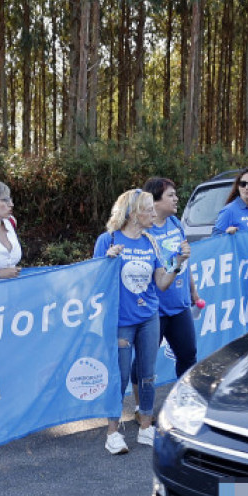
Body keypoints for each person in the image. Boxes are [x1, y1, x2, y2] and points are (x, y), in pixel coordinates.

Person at [94, 188, 190, 455]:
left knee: (147, 374)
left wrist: (178, 262)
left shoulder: (151, 241)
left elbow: (161, 283)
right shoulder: (108, 239)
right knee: (121, 376)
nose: (152, 213)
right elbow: (95, 282)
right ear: (133, 213)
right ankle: (112, 433)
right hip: (121, 320)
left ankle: (146, 426)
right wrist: (108, 261)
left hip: (149, 317)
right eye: (148, 209)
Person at [140, 176, 201, 378]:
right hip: (155, 310)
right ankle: (141, 406)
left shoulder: (175, 222)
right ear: (155, 201)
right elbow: (159, 271)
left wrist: (192, 291)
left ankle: (183, 401)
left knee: (188, 356)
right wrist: (177, 260)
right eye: (171, 195)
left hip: (180, 306)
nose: (176, 198)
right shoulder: (144, 233)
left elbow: (185, 261)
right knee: (144, 363)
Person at [211, 167, 248, 235]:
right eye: (243, 184)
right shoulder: (228, 211)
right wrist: (226, 233)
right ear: (238, 186)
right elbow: (214, 240)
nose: (247, 187)